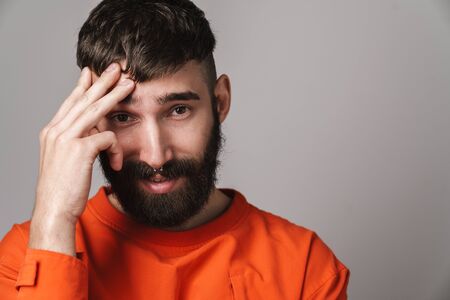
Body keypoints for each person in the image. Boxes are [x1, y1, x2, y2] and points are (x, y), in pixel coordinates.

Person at [0, 0, 349, 299]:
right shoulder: (23, 257)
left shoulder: (304, 267)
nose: (156, 156)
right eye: (123, 116)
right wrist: (53, 221)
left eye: (178, 110)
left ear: (220, 102)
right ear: (91, 122)